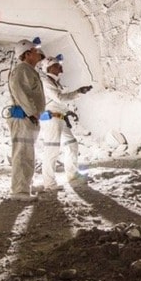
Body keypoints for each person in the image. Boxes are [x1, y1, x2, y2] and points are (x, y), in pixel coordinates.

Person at [38, 55, 92, 190]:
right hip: (51, 119)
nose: (60, 67)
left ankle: (72, 174)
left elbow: (58, 102)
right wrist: (78, 92)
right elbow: (59, 98)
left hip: (59, 118)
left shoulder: (55, 82)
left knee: (72, 144)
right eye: (57, 65)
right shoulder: (45, 82)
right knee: (52, 150)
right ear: (48, 68)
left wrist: (67, 112)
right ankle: (49, 184)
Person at [7, 38, 46, 201]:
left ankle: (25, 185)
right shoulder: (22, 69)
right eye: (36, 51)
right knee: (22, 153)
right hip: (24, 117)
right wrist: (33, 113)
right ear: (27, 54)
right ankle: (19, 191)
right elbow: (21, 93)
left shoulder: (28, 70)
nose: (40, 54)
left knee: (27, 153)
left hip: (29, 118)